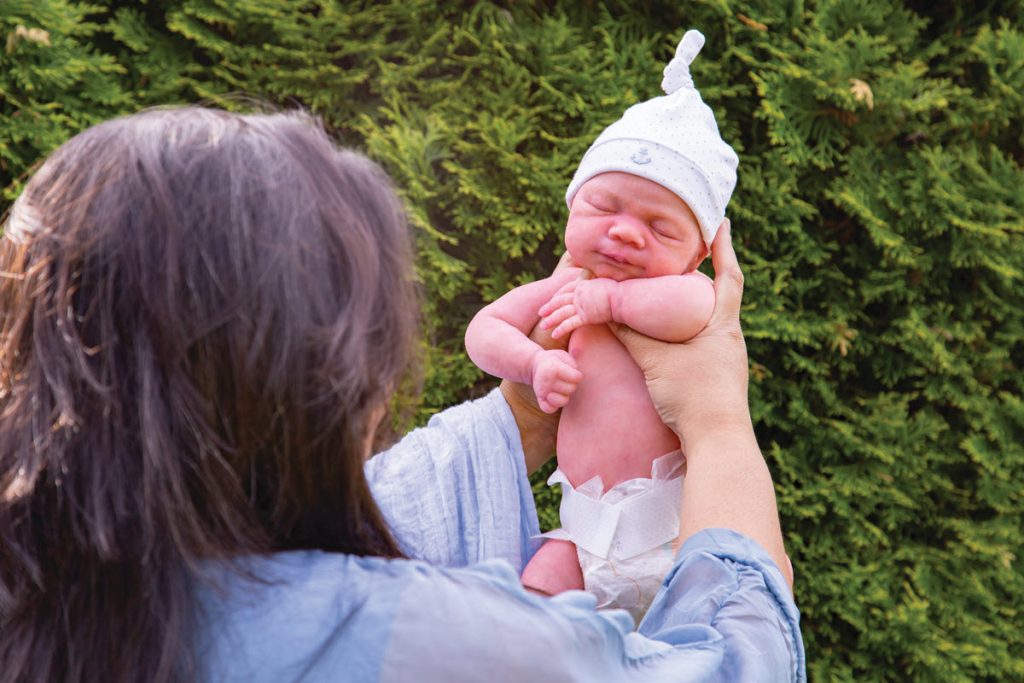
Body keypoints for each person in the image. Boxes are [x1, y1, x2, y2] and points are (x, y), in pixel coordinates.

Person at [0, 106, 803, 683]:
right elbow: (732, 665)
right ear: (321, 381)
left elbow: (386, 504)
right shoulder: (429, 641)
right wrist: (719, 426)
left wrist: (534, 398)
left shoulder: (41, 585)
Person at [464, 30, 744, 618]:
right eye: (604, 206)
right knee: (532, 603)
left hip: (670, 542)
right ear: (571, 206)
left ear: (696, 254)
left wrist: (611, 305)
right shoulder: (565, 287)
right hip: (582, 538)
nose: (623, 232)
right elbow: (484, 331)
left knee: (682, 643)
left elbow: (697, 309)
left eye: (661, 228)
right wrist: (533, 361)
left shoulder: (681, 292)